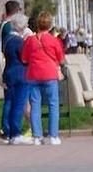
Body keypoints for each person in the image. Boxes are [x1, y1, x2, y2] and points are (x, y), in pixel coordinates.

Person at [19, 10, 65, 145]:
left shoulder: (30, 40)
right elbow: (61, 59)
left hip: (33, 75)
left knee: (35, 105)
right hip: (50, 74)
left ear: (37, 25)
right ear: (50, 26)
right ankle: (53, 136)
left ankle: (37, 136)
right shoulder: (54, 40)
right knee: (53, 104)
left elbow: (24, 59)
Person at [0, 0, 28, 142]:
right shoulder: (18, 41)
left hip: (9, 72)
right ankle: (15, 133)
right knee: (18, 103)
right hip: (20, 74)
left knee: (10, 101)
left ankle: (8, 130)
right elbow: (25, 58)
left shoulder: (8, 39)